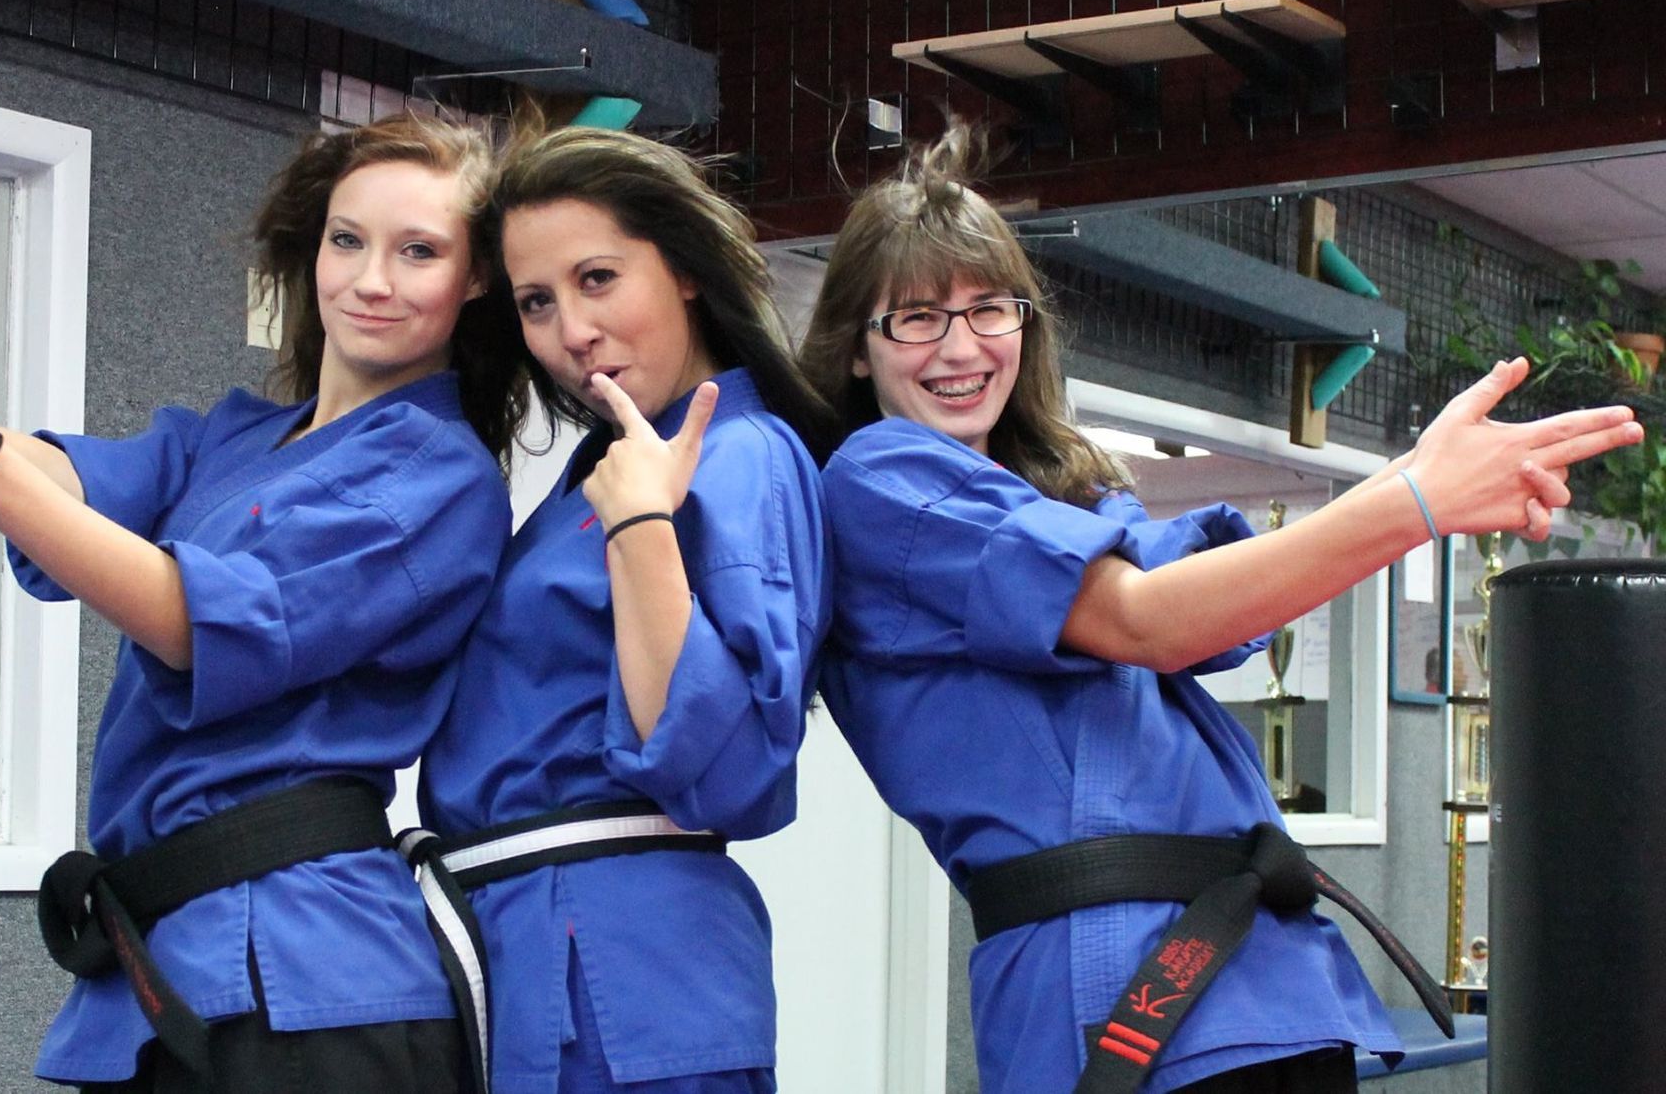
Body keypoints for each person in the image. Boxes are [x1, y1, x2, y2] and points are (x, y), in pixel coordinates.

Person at [798, 124, 1643, 1094]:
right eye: (914, 317)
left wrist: (1414, 474)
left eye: (990, 309)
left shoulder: (1062, 501)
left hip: (1260, 985)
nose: (961, 346)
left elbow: (1206, 610)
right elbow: (1153, 621)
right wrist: (1415, 502)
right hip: (1131, 998)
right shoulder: (881, 481)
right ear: (857, 350)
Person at [0, 112, 522, 1092]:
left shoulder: (439, 477)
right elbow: (78, 493)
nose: (373, 280)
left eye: (420, 251)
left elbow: (197, 620)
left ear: (476, 278)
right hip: (173, 952)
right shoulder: (237, 438)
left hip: (303, 974)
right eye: (348, 240)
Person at [413, 126, 835, 1094]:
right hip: (527, 940)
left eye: (598, 278)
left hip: (617, 966)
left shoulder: (740, 456)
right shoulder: (592, 477)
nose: (573, 331)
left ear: (684, 269)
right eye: (536, 302)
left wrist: (643, 525)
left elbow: (727, 766)